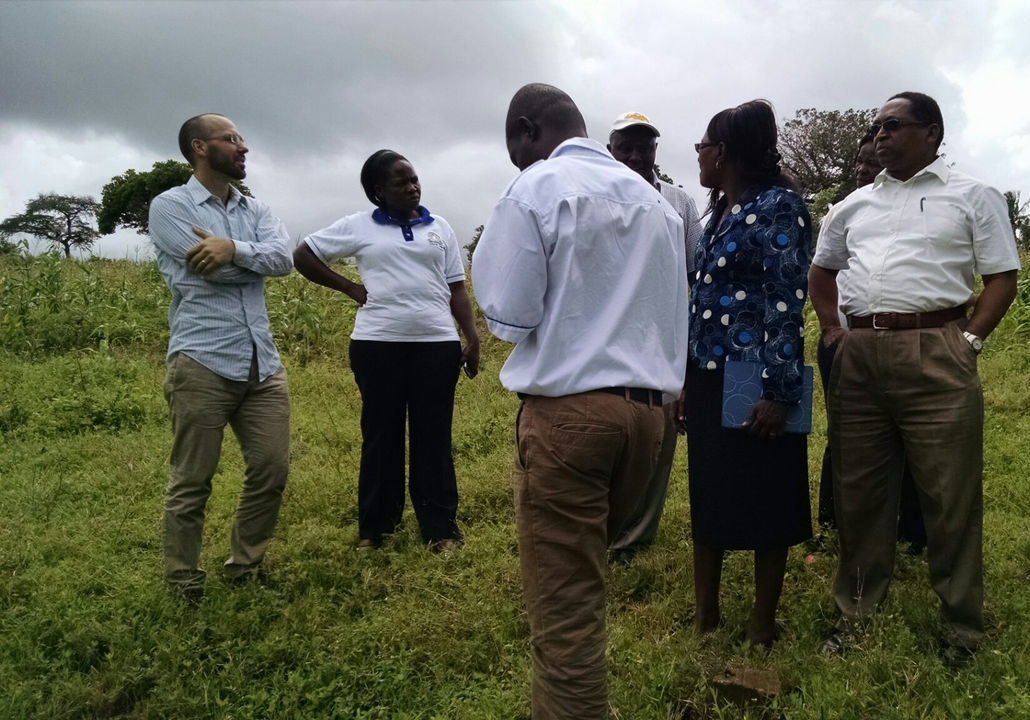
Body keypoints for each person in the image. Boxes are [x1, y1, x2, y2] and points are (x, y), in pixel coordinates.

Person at [471, 83, 689, 719]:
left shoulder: (536, 187)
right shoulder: (658, 205)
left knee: (564, 605)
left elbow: (509, 314)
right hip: (649, 418)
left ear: (526, 129)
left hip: (571, 417)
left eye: (516, 147)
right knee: (585, 578)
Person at [810, 92, 1020, 666]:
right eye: (876, 125)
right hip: (860, 353)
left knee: (948, 493)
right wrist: (833, 329)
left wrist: (969, 340)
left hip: (937, 349)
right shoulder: (852, 205)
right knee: (859, 491)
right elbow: (822, 271)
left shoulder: (971, 196)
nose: (880, 133)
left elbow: (1003, 278)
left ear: (931, 133)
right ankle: (856, 612)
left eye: (893, 125)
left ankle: (961, 629)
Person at [294, 150, 478, 553]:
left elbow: (456, 289)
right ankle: (376, 530)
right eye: (401, 182)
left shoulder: (439, 228)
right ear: (379, 191)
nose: (413, 188)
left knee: (434, 437)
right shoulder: (358, 227)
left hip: (436, 346)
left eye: (415, 179)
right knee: (381, 435)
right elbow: (303, 254)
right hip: (377, 346)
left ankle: (441, 530)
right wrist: (348, 287)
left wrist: (471, 335)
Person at [149, 113, 293, 604]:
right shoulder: (169, 206)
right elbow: (210, 272)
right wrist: (245, 262)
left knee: (271, 470)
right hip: (202, 361)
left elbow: (285, 261)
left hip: (262, 365)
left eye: (243, 139)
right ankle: (183, 582)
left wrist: (233, 249)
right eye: (231, 139)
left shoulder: (256, 209)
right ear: (200, 147)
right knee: (192, 481)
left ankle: (245, 567)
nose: (243, 147)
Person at [685, 99, 812, 647]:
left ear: (725, 152)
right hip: (709, 371)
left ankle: (762, 622)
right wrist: (684, 383)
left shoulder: (780, 208)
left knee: (770, 495)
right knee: (709, 492)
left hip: (757, 376)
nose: (698, 156)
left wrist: (779, 393)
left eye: (702, 147)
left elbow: (786, 302)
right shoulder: (719, 214)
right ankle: (706, 616)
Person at [815, 132, 927, 554]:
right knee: (845, 438)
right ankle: (833, 523)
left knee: (911, 438)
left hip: (904, 342)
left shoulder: (910, 214)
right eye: (858, 163)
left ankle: (913, 532)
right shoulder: (841, 213)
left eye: (871, 163)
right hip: (846, 342)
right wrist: (831, 331)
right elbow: (819, 274)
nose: (864, 170)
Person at [606, 111, 703, 564]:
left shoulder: (679, 203)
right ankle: (601, 532)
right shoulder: (596, 197)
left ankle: (633, 540)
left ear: (656, 153)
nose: (636, 155)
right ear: (610, 150)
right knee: (608, 438)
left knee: (657, 445)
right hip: (607, 342)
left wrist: (686, 358)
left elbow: (694, 276)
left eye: (645, 147)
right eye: (626, 146)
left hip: (663, 340)